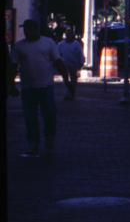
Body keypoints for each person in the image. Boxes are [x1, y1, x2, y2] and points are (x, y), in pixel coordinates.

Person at [10, 19, 69, 157]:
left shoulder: (48, 43)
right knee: (30, 116)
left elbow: (58, 62)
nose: (26, 32)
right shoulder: (19, 46)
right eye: (25, 29)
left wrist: (67, 80)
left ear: (36, 29)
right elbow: (13, 67)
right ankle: (33, 142)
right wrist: (11, 84)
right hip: (28, 87)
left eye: (29, 29)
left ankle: (49, 135)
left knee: (50, 111)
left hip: (46, 85)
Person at [57, 27, 85, 100]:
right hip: (65, 64)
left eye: (70, 34)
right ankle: (67, 94)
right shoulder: (61, 45)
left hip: (74, 64)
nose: (68, 35)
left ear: (72, 35)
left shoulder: (77, 44)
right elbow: (57, 54)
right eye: (67, 34)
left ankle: (72, 93)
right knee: (65, 80)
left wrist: (81, 62)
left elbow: (81, 53)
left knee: (74, 80)